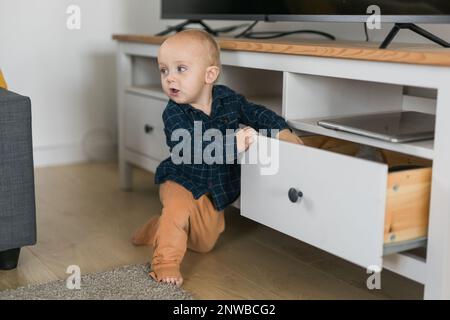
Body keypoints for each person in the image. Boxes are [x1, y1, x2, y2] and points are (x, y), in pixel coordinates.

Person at [132, 29, 303, 287]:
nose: (170, 79)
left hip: (215, 191)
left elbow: (254, 112)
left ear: (209, 75)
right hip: (181, 180)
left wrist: (280, 130)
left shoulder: (227, 99)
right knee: (177, 214)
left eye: (180, 69)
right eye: (164, 70)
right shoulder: (174, 113)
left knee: (203, 243)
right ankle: (165, 262)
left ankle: (157, 228)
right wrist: (230, 144)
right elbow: (189, 149)